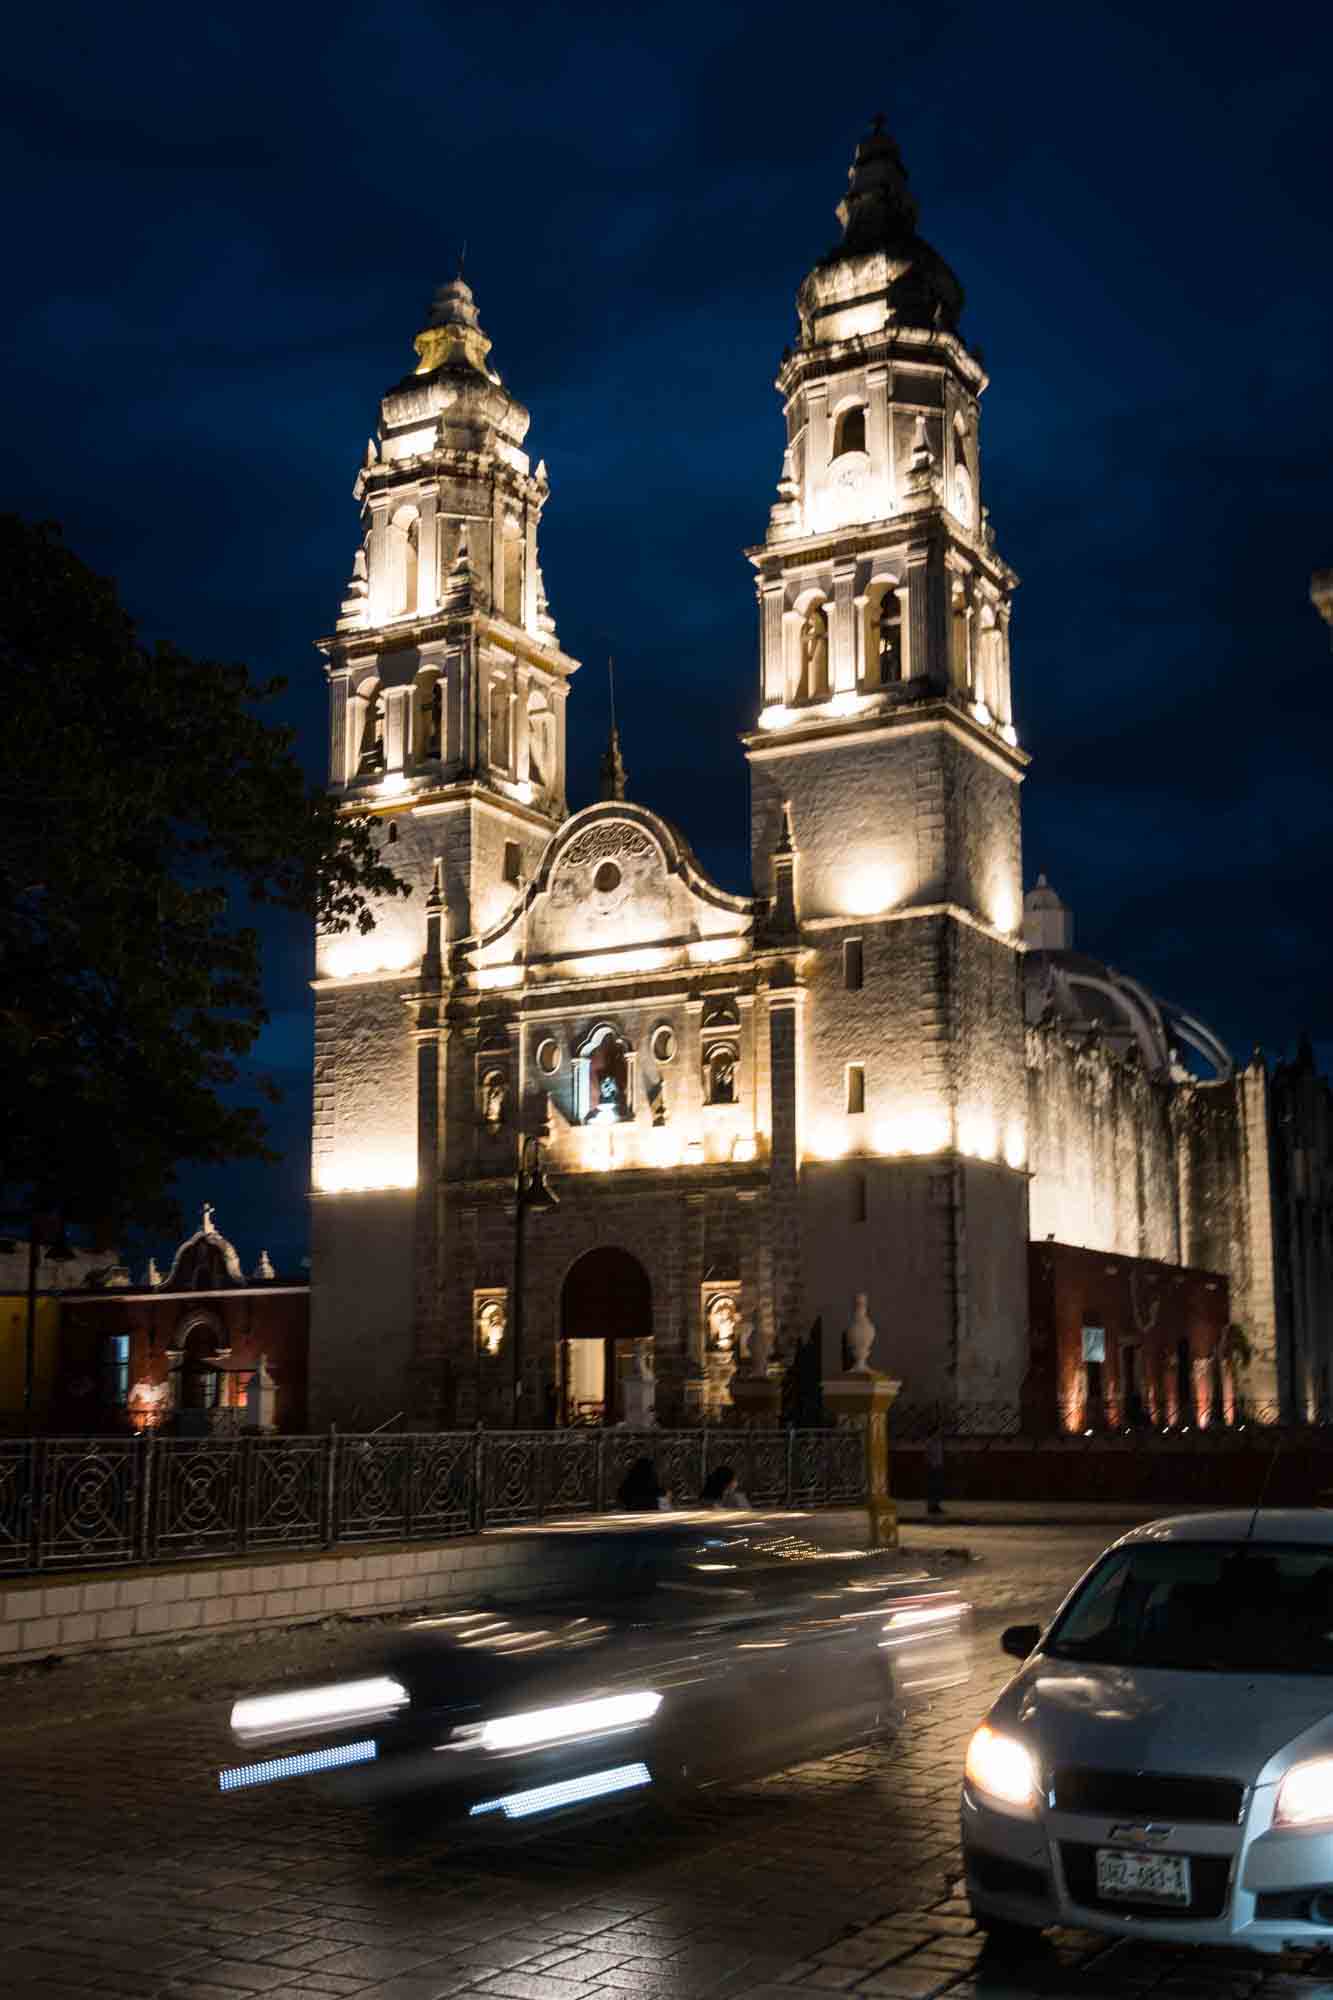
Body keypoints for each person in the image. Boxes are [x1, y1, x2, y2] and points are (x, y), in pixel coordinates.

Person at [925, 1427, 946, 1517]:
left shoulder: (939, 1442)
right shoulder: (929, 1442)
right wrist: (931, 1464)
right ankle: (931, 1506)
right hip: (932, 1467)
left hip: (939, 1466)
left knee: (938, 1487)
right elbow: (927, 1455)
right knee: (932, 1487)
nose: (939, 1434)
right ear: (934, 1432)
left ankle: (936, 1505)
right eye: (938, 1432)